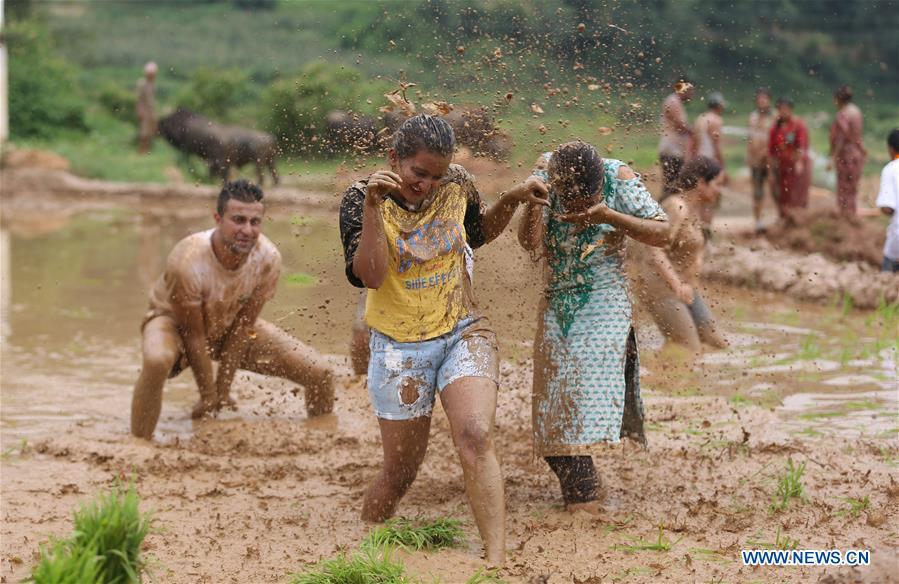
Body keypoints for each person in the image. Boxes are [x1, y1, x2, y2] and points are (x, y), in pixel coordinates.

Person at [339, 114, 547, 565]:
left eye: (437, 175)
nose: (428, 185)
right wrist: (376, 207)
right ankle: (363, 549)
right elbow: (370, 276)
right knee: (399, 473)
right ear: (395, 159)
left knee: (474, 436)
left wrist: (510, 198)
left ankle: (496, 563)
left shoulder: (459, 184)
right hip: (399, 347)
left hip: (461, 329)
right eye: (419, 173)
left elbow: (477, 235)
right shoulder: (360, 197)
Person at [517, 141, 669, 514]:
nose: (578, 208)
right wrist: (533, 207)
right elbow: (529, 243)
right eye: (570, 201)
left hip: (604, 296)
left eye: (588, 200)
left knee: (583, 387)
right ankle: (585, 487)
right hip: (558, 296)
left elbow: (663, 232)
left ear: (599, 184)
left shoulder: (620, 177)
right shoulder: (543, 177)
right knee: (552, 405)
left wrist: (610, 216)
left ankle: (583, 495)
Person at [130, 180, 335, 440]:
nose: (247, 230)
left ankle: (323, 442)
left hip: (228, 323)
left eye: (255, 222)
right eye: (238, 220)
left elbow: (243, 327)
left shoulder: (268, 258)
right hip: (173, 323)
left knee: (321, 374)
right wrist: (209, 397)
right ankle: (138, 446)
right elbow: (193, 336)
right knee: (157, 360)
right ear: (218, 218)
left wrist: (223, 391)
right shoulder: (187, 261)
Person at [633, 157, 728, 353]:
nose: (720, 190)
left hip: (685, 287)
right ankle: (654, 375)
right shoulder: (676, 207)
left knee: (716, 343)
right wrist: (677, 284)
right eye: (717, 184)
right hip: (661, 286)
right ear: (701, 183)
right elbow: (654, 248)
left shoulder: (693, 208)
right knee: (687, 349)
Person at [768, 98, 811, 220]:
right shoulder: (775, 128)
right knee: (782, 194)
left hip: (797, 166)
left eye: (786, 109)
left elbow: (802, 145)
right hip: (782, 167)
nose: (783, 112)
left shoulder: (798, 125)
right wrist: (771, 171)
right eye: (781, 109)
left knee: (797, 195)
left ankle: (798, 220)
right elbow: (771, 151)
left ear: (791, 110)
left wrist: (799, 162)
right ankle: (784, 219)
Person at [691, 91, 727, 234]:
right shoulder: (716, 120)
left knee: (700, 197)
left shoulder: (700, 118)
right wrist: (723, 166)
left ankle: (699, 232)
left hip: (698, 161)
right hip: (710, 163)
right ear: (719, 106)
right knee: (710, 200)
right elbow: (717, 146)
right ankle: (706, 234)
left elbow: (693, 144)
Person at [829, 85, 867, 217]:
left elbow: (841, 137)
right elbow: (857, 136)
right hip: (856, 154)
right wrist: (863, 151)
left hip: (846, 156)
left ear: (839, 99)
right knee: (852, 186)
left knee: (844, 186)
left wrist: (834, 157)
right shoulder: (856, 111)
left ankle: (845, 216)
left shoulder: (842, 114)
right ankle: (851, 213)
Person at [658, 77, 695, 197]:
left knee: (674, 185)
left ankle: (667, 211)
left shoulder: (676, 102)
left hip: (675, 150)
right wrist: (694, 131)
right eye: (690, 90)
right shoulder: (673, 101)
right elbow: (681, 125)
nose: (692, 94)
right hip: (671, 150)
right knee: (671, 185)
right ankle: (660, 211)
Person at [746, 88, 775, 233]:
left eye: (764, 99)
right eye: (759, 99)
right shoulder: (752, 117)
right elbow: (750, 140)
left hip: (771, 161)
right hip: (756, 161)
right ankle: (758, 222)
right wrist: (750, 157)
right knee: (757, 192)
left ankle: (780, 218)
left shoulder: (775, 118)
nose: (762, 102)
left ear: (769, 101)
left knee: (776, 190)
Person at [875, 129, 899, 272]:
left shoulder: (891, 169)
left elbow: (887, 208)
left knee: (886, 285)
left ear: (890, 148)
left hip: (897, 243)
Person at [136, 62, 158, 154]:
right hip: (144, 111)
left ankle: (147, 150)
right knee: (144, 132)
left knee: (149, 131)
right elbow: (139, 99)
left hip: (150, 111)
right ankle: (141, 150)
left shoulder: (152, 84)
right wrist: (139, 110)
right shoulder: (142, 83)